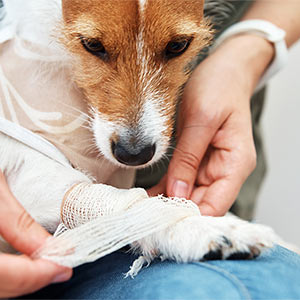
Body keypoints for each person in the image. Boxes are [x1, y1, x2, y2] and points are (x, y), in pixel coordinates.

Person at [1, 0, 300, 298]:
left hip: (187, 202)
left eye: (176, 45)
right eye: (94, 45)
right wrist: (153, 223)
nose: (134, 134)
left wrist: (242, 58)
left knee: (262, 286)